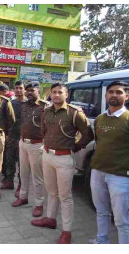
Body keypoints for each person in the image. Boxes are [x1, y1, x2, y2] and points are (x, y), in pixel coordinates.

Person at [89, 81, 129, 244]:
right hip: (97, 172)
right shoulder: (100, 119)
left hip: (120, 176)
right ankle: (101, 241)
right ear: (106, 95)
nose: (114, 95)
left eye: (119, 92)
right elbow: (99, 143)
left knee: (121, 219)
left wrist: (125, 163)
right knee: (101, 211)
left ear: (127, 96)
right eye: (111, 92)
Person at [31, 82, 94, 244]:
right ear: (50, 94)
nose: (57, 95)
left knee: (65, 196)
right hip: (47, 155)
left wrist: (77, 146)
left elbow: (88, 134)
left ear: (66, 95)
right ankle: (50, 219)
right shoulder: (46, 111)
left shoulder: (74, 113)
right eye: (54, 92)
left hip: (65, 158)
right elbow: (43, 131)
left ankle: (67, 231)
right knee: (51, 191)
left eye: (60, 92)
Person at [11, 81, 49, 216]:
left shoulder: (45, 107)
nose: (29, 93)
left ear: (39, 91)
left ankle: (39, 204)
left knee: (37, 177)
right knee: (23, 173)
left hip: (37, 145)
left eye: (32, 90)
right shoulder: (24, 105)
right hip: (23, 143)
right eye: (28, 91)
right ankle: (23, 197)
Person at [2, 81, 27, 195]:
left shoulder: (29, 103)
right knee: (9, 160)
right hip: (12, 136)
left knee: (22, 164)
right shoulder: (11, 103)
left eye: (20, 88)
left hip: (23, 138)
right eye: (16, 88)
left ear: (24, 89)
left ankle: (21, 186)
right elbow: (6, 120)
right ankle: (9, 181)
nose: (18, 90)